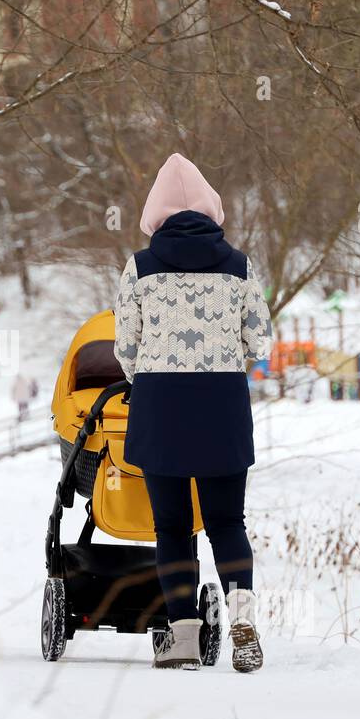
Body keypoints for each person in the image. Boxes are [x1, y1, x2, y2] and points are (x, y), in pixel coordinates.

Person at [113, 153, 273, 671]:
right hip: (221, 404)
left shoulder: (139, 268)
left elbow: (124, 347)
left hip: (160, 406)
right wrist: (224, 359)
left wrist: (152, 377)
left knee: (172, 528)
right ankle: (241, 613)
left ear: (153, 214)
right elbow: (262, 342)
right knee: (227, 520)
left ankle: (182, 637)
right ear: (212, 209)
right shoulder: (240, 265)